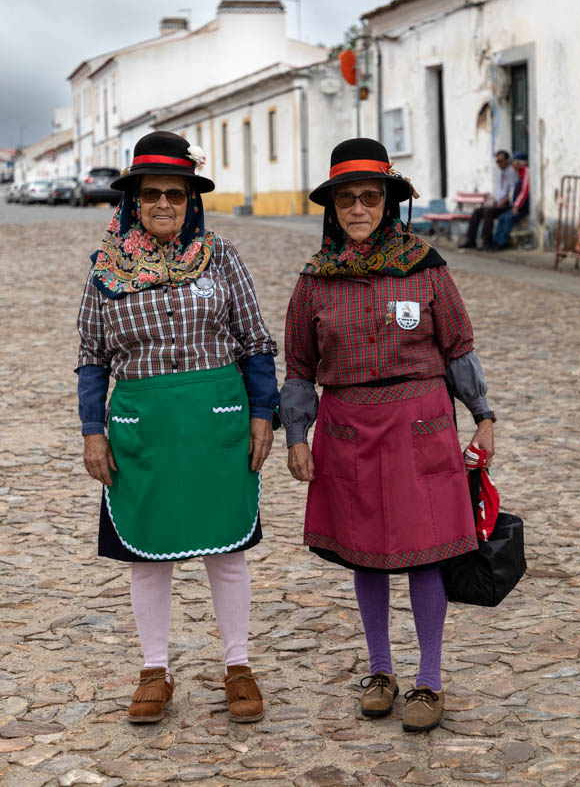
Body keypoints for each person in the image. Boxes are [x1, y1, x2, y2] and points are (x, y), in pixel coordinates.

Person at [280, 138, 496, 734]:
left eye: (369, 198)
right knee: (366, 554)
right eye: (346, 199)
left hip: (419, 424)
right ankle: (380, 671)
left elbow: (458, 348)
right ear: (333, 208)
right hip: (347, 428)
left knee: (428, 553)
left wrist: (482, 414)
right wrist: (297, 434)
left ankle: (430, 679)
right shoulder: (315, 281)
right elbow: (298, 365)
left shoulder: (426, 269)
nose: (357, 209)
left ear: (388, 203)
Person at [76, 131, 279, 724]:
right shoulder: (105, 271)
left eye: (175, 193)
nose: (163, 204)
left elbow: (256, 341)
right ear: (132, 202)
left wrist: (263, 413)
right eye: (151, 194)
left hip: (217, 419)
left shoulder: (224, 259)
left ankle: (238, 665)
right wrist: (93, 428)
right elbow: (91, 355)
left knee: (228, 550)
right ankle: (154, 669)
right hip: (144, 426)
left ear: (192, 199)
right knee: (148, 552)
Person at [459, 149, 516, 249]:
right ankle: (470, 240)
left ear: (507, 160)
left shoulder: (511, 172)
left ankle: (487, 241)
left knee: (488, 212)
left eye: (500, 161)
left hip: (508, 205)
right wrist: (494, 202)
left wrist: (501, 203)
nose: (499, 164)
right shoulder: (500, 174)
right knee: (477, 212)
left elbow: (511, 192)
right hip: (499, 203)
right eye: (497, 161)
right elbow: (498, 192)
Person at [492, 152, 530, 250]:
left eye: (515, 162)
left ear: (521, 163)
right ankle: (495, 241)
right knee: (501, 217)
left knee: (508, 218)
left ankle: (502, 242)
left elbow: (525, 191)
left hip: (522, 207)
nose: (512, 164)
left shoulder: (526, 172)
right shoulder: (519, 173)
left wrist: (516, 206)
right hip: (516, 206)